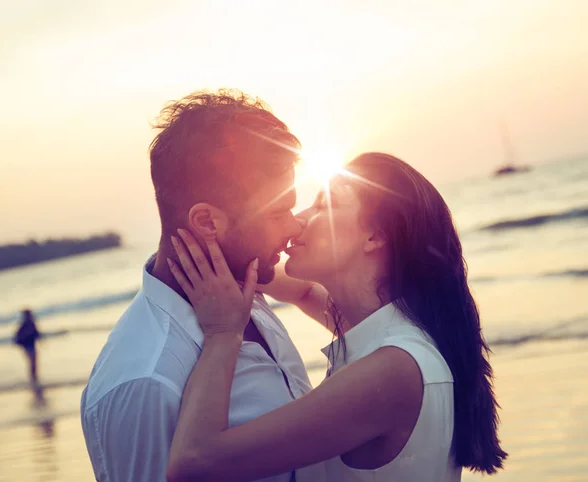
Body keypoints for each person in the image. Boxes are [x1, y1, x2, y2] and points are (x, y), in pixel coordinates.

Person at [165, 152, 508, 482]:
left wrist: (222, 334)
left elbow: (195, 462)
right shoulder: (399, 330)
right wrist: (224, 243)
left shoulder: (391, 370)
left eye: (324, 206)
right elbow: (299, 291)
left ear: (375, 237)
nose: (298, 219)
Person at [80, 90, 326, 482]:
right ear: (208, 223)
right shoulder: (144, 380)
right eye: (278, 211)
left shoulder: (245, 286)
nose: (294, 226)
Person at [14, 309, 43, 399]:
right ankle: (33, 380)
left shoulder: (28, 324)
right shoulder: (25, 325)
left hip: (31, 346)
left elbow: (37, 334)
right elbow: (18, 338)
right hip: (28, 347)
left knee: (33, 363)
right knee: (32, 363)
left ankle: (34, 379)